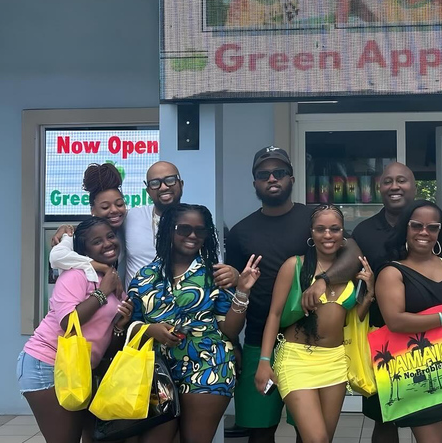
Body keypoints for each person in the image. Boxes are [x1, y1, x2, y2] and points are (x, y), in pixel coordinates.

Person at [227, 146, 364, 443]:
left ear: (291, 178)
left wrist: (324, 281)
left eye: (279, 172)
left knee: (309, 432)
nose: (272, 178)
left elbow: (352, 252)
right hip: (258, 340)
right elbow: (238, 285)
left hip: (309, 343)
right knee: (260, 430)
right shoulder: (240, 232)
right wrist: (232, 342)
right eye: (264, 174)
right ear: (254, 183)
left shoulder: (312, 218)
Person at [352, 161, 442, 443]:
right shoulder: (364, 232)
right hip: (388, 343)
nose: (395, 186)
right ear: (379, 188)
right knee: (385, 421)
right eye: (388, 181)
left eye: (402, 180)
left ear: (414, 187)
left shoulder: (440, 230)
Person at [125, 204, 261, 443]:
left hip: (208, 365)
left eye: (200, 230)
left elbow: (229, 329)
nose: (193, 236)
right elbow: (131, 325)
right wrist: (151, 330)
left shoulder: (215, 274)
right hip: (157, 371)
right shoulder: (144, 277)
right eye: (184, 229)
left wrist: (242, 291)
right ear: (168, 230)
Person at [255, 205, 375, 443]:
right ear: (311, 233)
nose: (327, 235)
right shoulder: (295, 266)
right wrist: (264, 362)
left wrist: (368, 291)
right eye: (320, 229)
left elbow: (356, 317)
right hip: (297, 359)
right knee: (317, 439)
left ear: (343, 234)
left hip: (335, 361)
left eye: (334, 229)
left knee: (324, 439)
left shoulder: (352, 271)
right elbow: (275, 315)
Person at [17, 217, 133, 443]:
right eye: (97, 241)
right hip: (47, 362)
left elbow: (106, 342)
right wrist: (102, 293)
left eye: (110, 236)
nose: (108, 243)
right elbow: (68, 322)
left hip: (78, 368)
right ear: (84, 250)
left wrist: (120, 326)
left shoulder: (114, 283)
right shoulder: (76, 276)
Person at [375, 200, 442, 443]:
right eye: (416, 226)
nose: (424, 232)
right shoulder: (392, 272)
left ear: (440, 232)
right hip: (419, 372)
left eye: (432, 227)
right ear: (405, 229)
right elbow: (395, 321)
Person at [51, 161, 239, 291]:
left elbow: (216, 266)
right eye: (155, 183)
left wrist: (234, 274)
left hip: (185, 311)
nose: (164, 187)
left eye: (170, 180)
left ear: (181, 184)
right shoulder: (132, 217)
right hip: (137, 315)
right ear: (148, 190)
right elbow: (101, 228)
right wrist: (71, 230)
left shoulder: (196, 224)